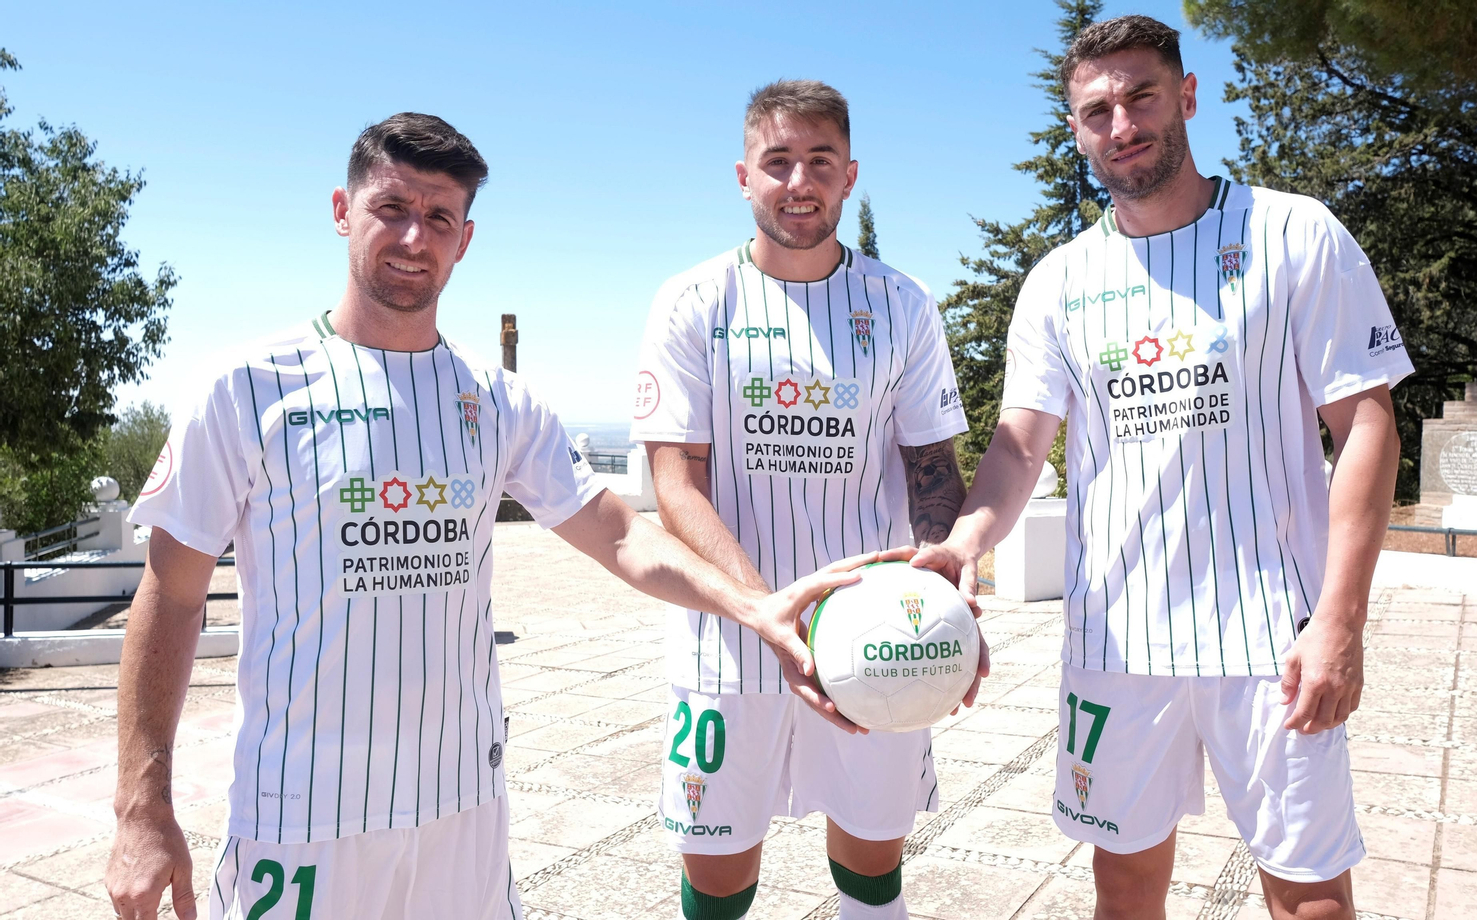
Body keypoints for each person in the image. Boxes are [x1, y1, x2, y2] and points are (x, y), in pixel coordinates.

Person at [103, 112, 885, 920]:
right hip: (301, 820)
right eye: (391, 208)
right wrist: (140, 808)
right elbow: (172, 597)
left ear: (464, 239)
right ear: (342, 210)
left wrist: (753, 607)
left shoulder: (497, 401)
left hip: (463, 814)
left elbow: (618, 534)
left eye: (439, 217)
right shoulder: (244, 390)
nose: (415, 236)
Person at [912, 16, 1410, 920]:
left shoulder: (1295, 233)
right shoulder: (1060, 281)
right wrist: (966, 542)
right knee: (1127, 888)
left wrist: (1340, 621)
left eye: (1141, 95)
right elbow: (1022, 445)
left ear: (1185, 95)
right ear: (1078, 129)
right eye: (1097, 108)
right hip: (1117, 643)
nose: (1122, 123)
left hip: (1276, 643)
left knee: (1312, 899)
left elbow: (1367, 423)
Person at [630, 79, 985, 920]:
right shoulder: (691, 301)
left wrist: (946, 578)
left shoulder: (903, 303)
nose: (799, 181)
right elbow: (676, 482)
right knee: (719, 874)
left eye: (818, 161)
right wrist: (766, 613)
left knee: (871, 855)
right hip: (726, 636)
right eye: (778, 161)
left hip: (876, 636)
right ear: (744, 176)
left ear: (850, 175)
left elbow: (934, 464)